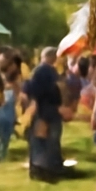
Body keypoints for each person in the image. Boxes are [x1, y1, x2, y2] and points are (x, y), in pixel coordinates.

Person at [25, 47, 67, 182]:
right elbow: (59, 87)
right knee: (50, 140)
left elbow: (27, 91)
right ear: (52, 57)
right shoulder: (49, 70)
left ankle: (37, 168)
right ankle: (50, 168)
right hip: (49, 109)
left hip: (40, 109)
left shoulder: (34, 72)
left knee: (38, 140)